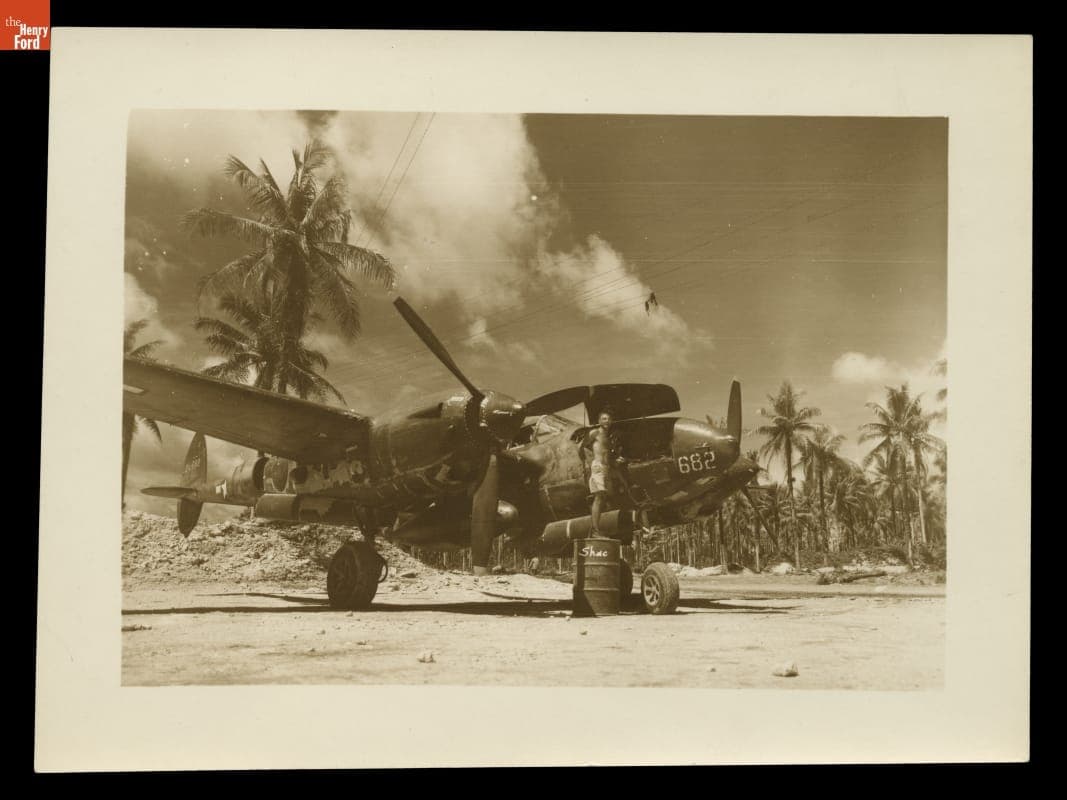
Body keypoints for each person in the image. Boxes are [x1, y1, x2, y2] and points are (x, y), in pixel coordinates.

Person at [581, 409, 625, 537]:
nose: (607, 421)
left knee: (605, 496)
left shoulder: (608, 437)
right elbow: (582, 447)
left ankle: (597, 528)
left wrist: (616, 460)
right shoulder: (594, 433)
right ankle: (595, 531)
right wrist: (590, 464)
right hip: (598, 467)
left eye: (609, 419)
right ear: (599, 421)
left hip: (607, 468)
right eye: (604, 419)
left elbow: (607, 454)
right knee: (599, 497)